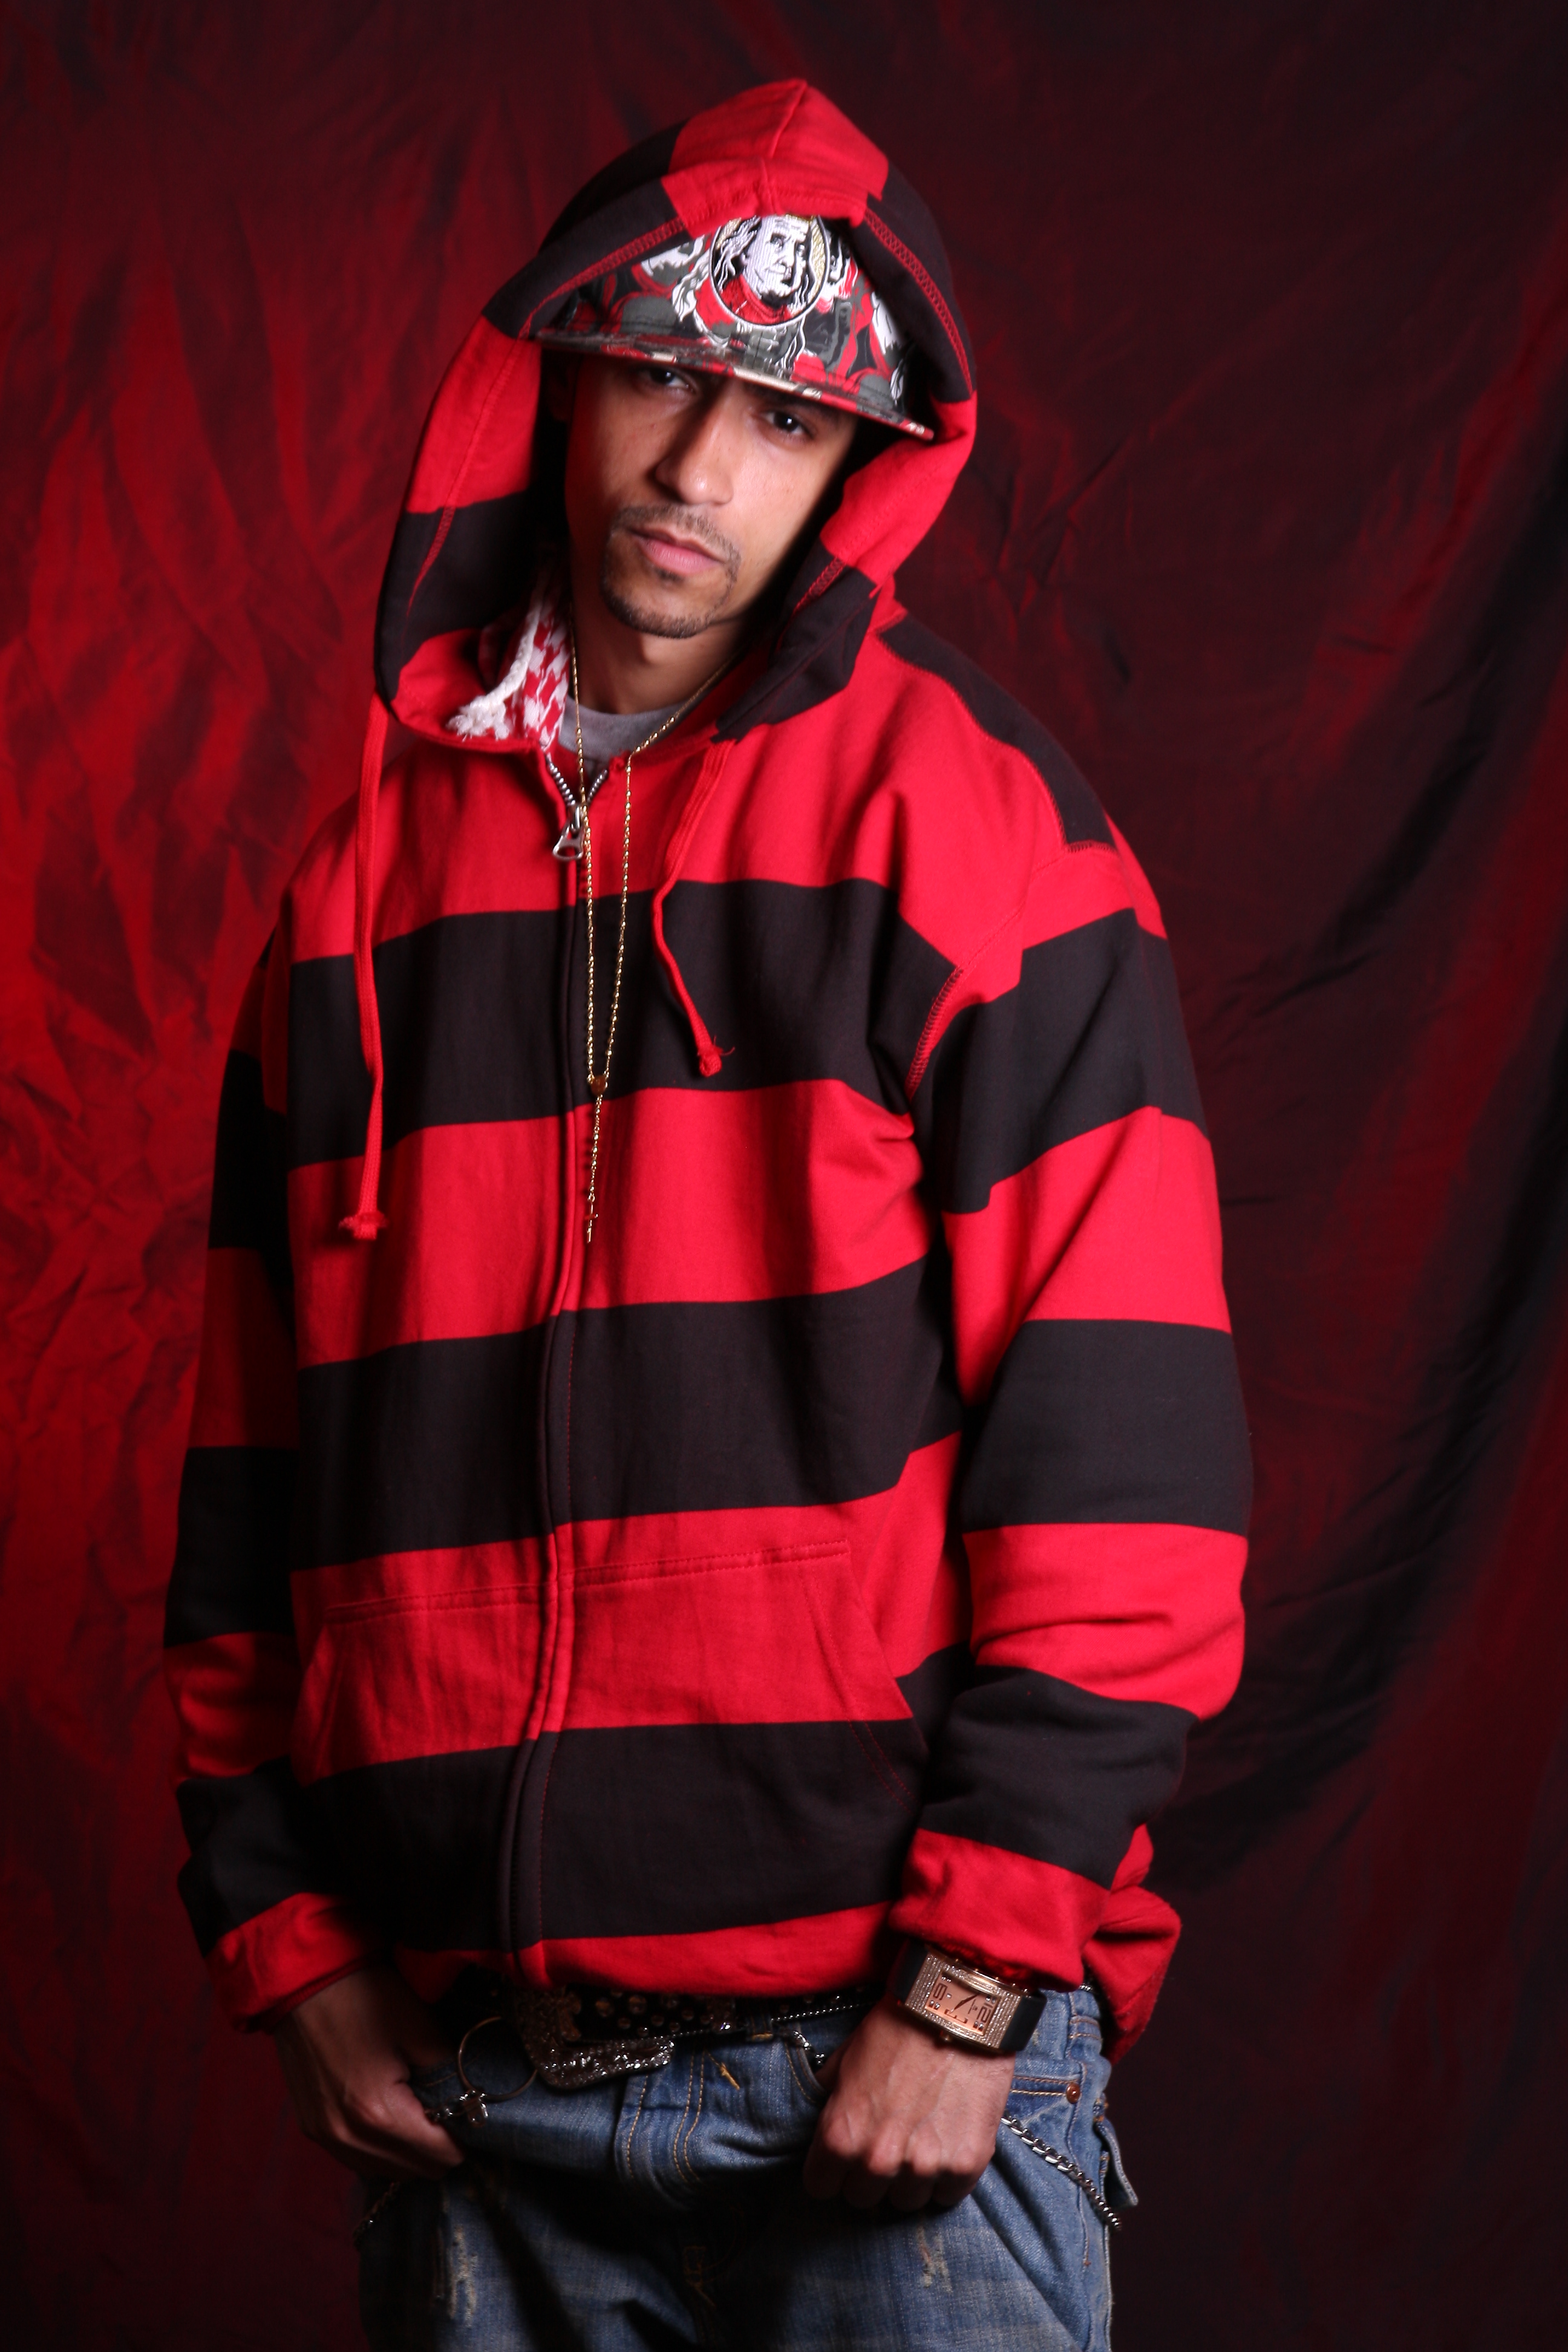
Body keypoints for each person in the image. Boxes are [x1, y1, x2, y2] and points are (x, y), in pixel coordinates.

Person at [165, 78, 1250, 2351]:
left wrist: (974, 1980)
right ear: (560, 373)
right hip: (479, 2109)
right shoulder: (354, 898)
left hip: (890, 2083)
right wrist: (289, 1946)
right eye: (661, 377)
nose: (698, 469)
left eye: (782, 415)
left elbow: (1126, 1472)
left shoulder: (983, 845)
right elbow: (255, 1475)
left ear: (860, 460)